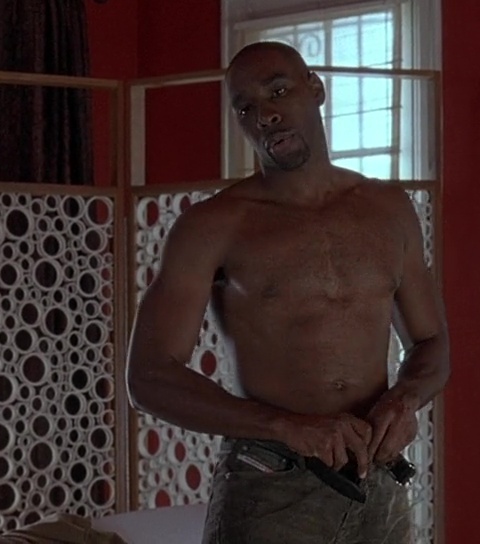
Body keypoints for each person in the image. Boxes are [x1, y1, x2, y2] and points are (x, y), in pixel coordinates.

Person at [124, 41, 451, 544]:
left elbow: (431, 341)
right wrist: (284, 426)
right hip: (271, 480)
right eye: (246, 108)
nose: (265, 115)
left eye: (277, 92)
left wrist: (404, 401)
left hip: (379, 475)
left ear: (315, 88)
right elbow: (148, 377)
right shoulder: (212, 226)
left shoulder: (388, 208)